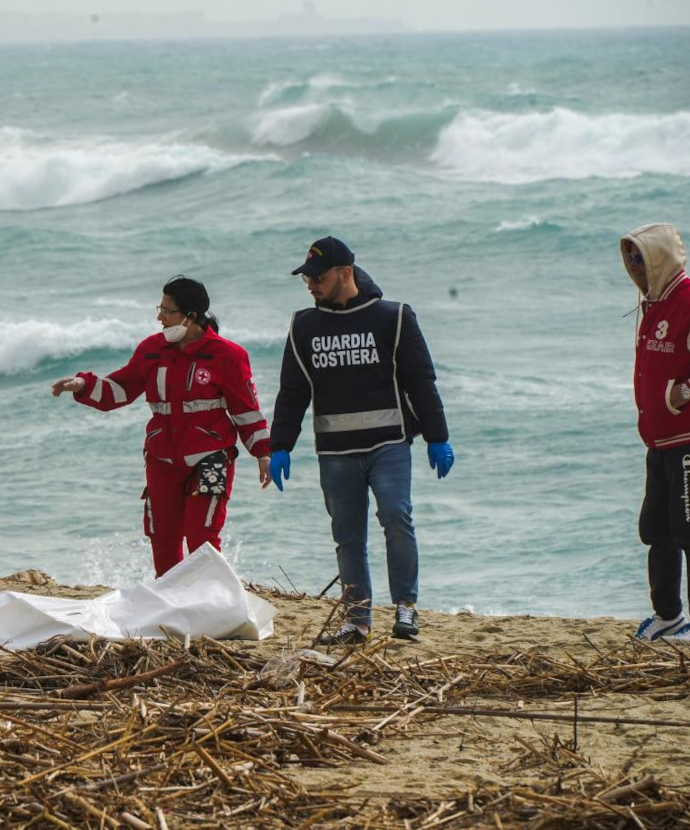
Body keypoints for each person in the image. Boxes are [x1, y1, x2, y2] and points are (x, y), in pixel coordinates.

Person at [269, 236, 454, 645]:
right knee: (348, 537)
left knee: (395, 517)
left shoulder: (394, 317)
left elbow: (420, 382)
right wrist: (279, 445)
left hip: (389, 445)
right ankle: (356, 620)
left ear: (345, 273)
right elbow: (292, 392)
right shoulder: (304, 326)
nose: (311, 284)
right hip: (335, 453)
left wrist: (437, 437)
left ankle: (405, 608)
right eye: (307, 279)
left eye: (318, 277)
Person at [51, 275, 272, 577]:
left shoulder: (228, 355)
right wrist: (81, 385)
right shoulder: (152, 349)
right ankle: (170, 608)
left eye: (167, 311)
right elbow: (121, 389)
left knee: (202, 538)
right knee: (163, 539)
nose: (159, 317)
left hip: (211, 457)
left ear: (191, 316)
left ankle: (211, 604)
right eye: (160, 308)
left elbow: (246, 410)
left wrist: (263, 453)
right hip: (162, 458)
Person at [622, 223, 690, 642]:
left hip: (687, 440)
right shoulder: (652, 304)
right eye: (629, 257)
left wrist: (679, 394)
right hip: (658, 441)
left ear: (659, 258)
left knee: (689, 531)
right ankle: (668, 616)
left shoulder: (688, 300)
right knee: (656, 530)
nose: (633, 266)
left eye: (640, 257)